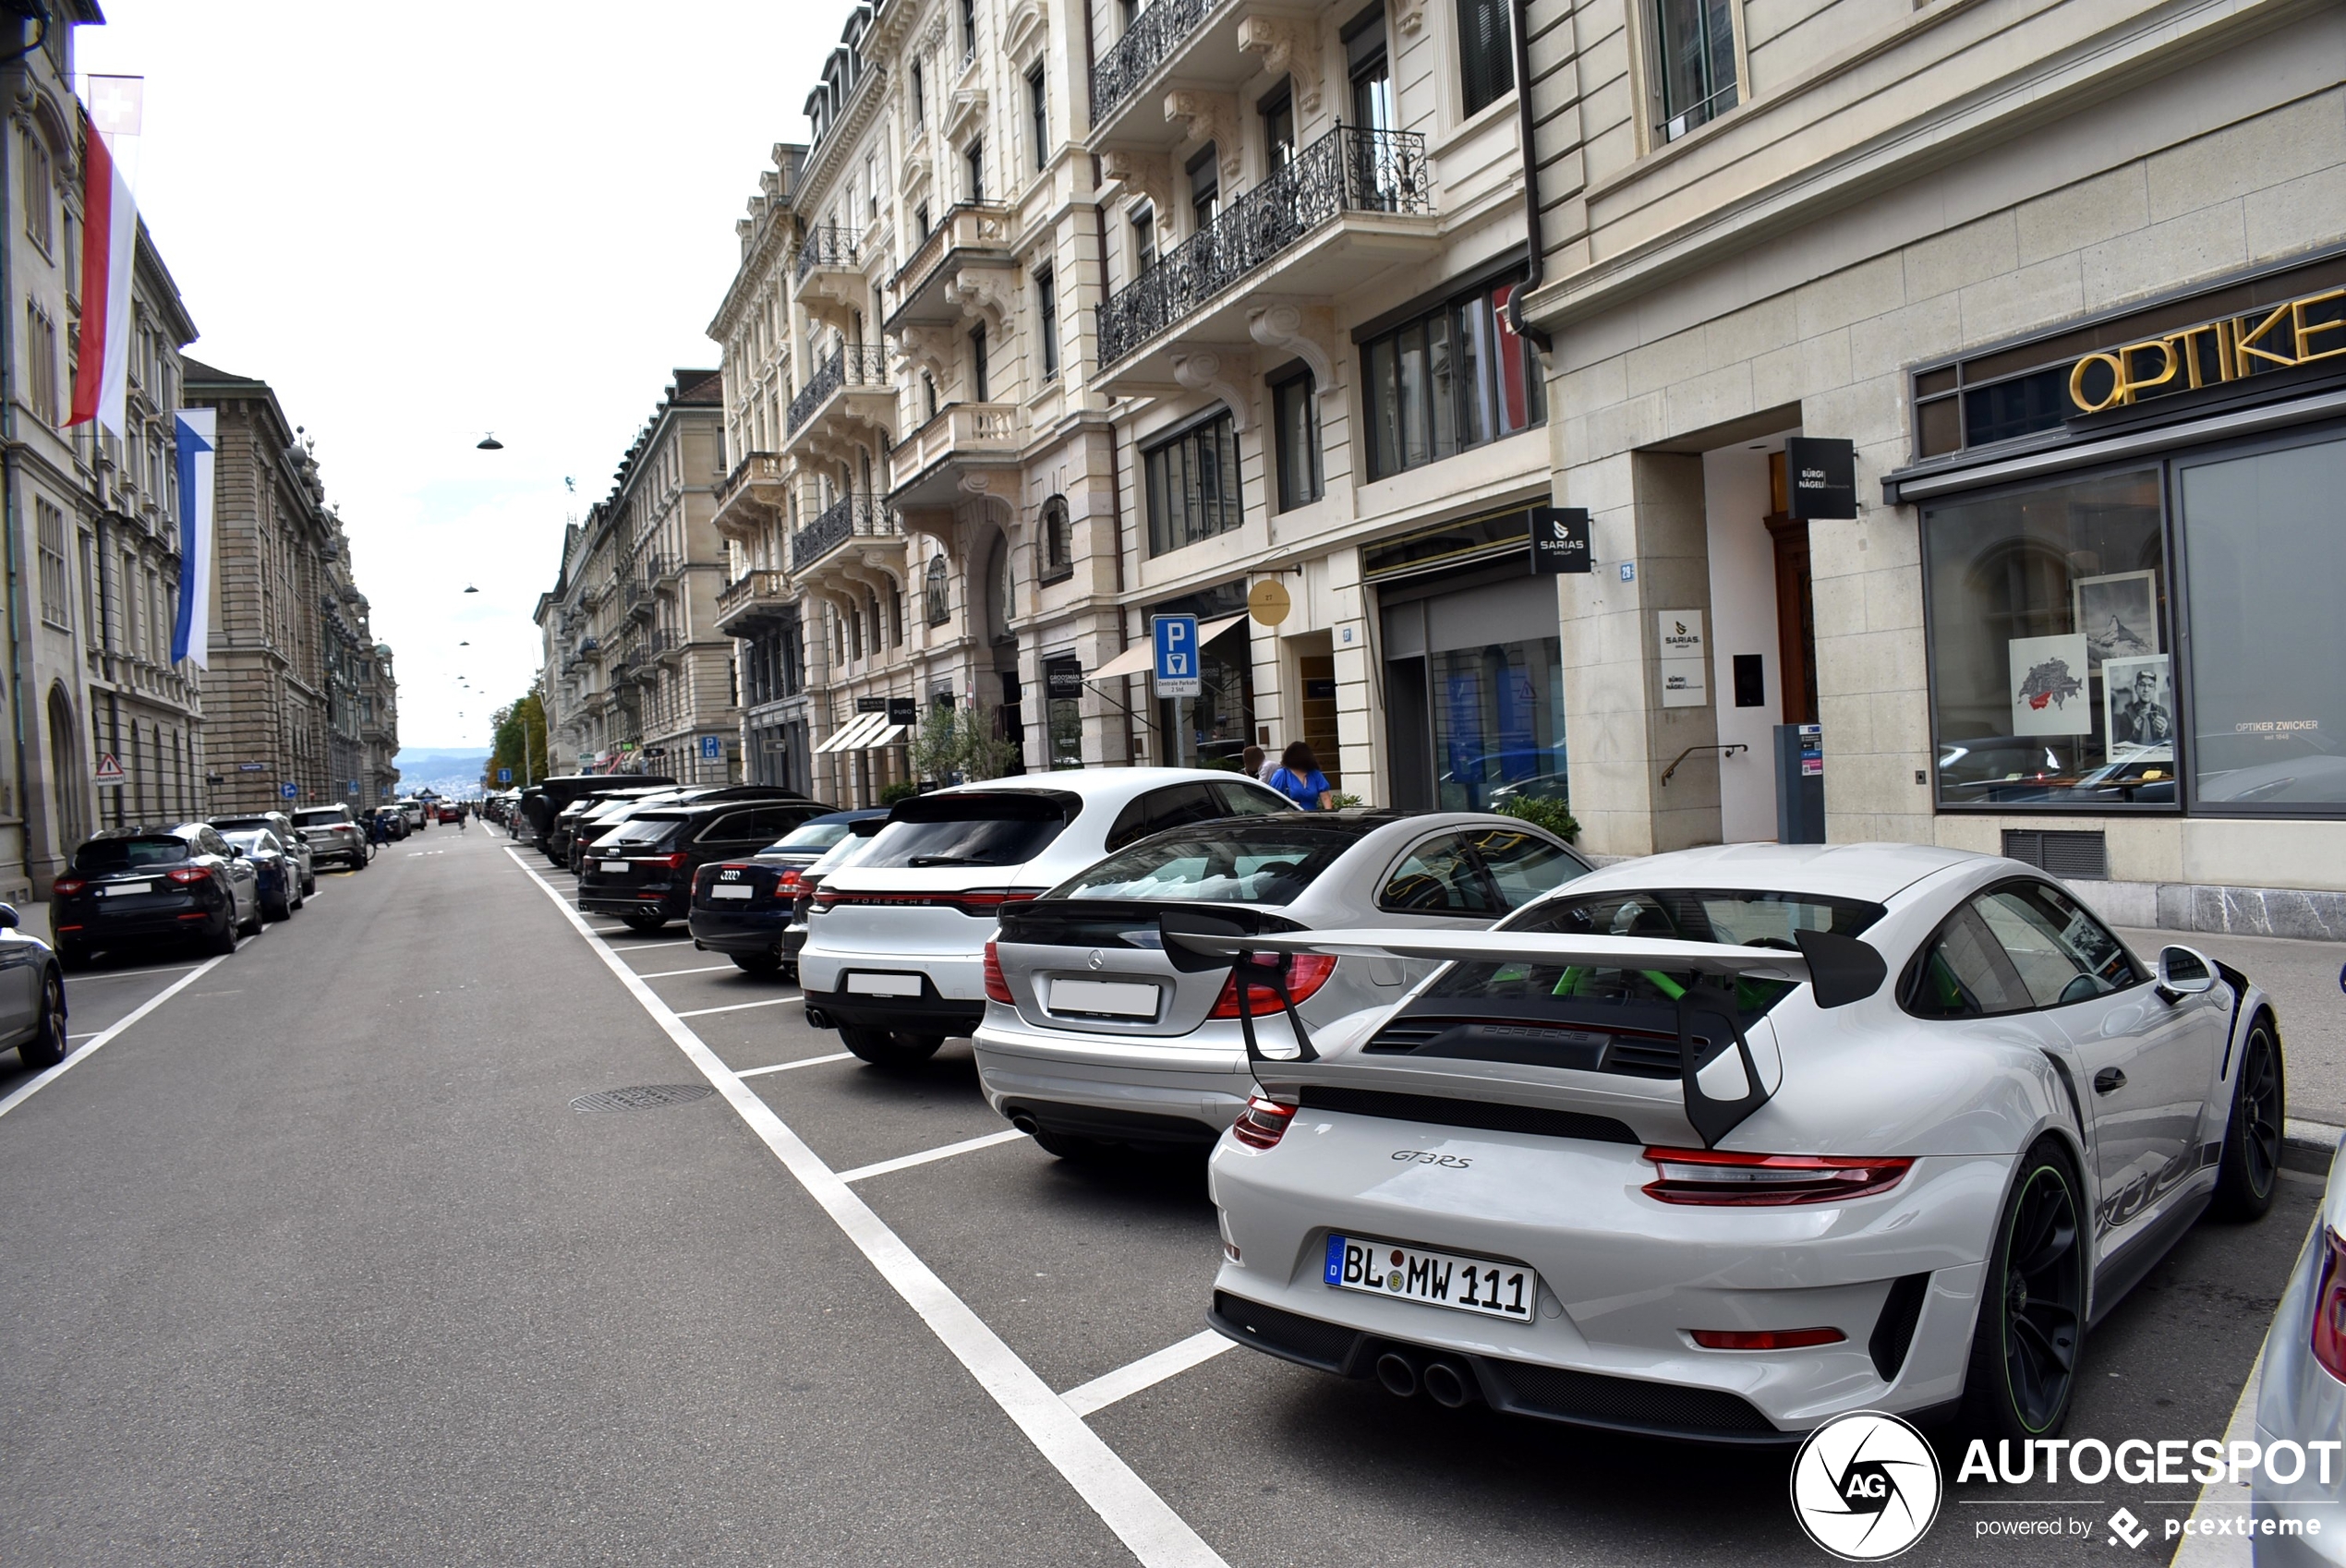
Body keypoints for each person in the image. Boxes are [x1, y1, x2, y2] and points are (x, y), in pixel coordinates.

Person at [1267, 742, 1335, 811]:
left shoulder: (1315, 774)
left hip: (1312, 817)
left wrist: (1329, 815)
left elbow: (1325, 797)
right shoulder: (1282, 774)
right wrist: (1287, 803)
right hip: (1289, 817)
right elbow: (1272, 797)